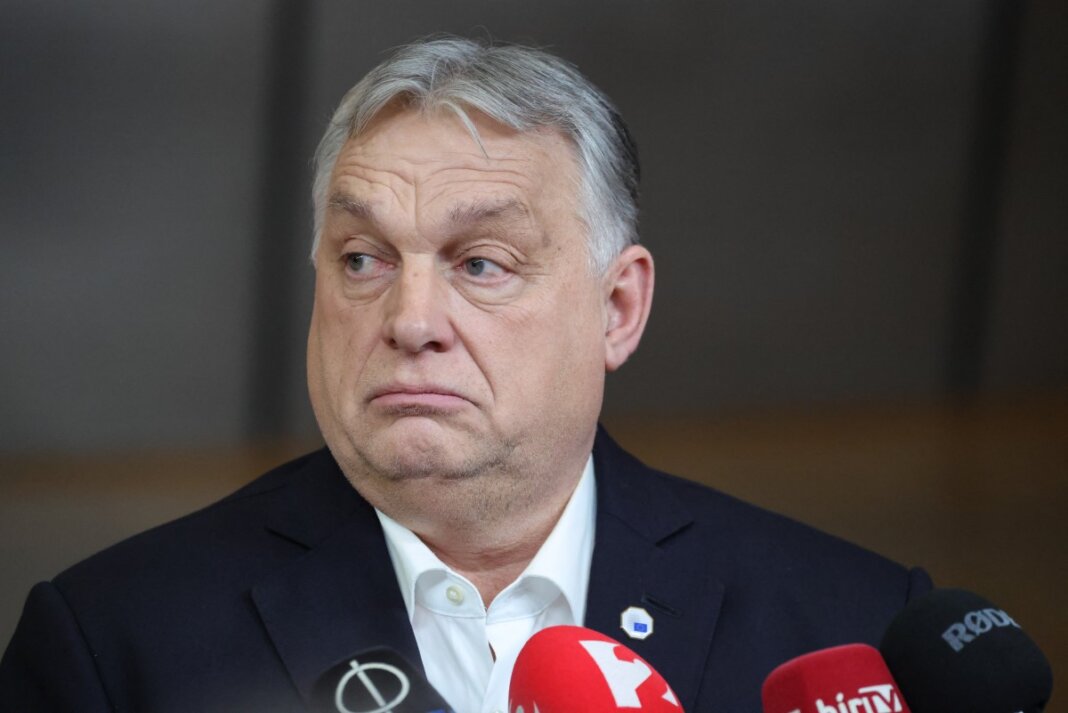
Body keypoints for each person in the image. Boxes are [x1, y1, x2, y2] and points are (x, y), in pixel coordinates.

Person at [0, 37, 930, 713]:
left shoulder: (858, 631)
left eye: (482, 263)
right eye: (362, 259)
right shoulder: (113, 647)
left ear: (617, 309)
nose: (409, 321)